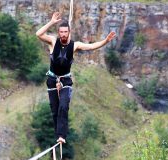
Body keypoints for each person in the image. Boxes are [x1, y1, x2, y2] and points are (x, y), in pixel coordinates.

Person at [36, 12, 116, 144]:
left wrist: (105, 41)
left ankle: (62, 135)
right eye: (61, 32)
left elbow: (91, 46)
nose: (63, 34)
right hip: (52, 79)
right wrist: (51, 22)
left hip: (65, 80)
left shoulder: (75, 45)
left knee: (63, 106)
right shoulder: (52, 41)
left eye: (65, 32)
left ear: (69, 32)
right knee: (55, 109)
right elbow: (38, 34)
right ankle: (58, 136)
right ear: (58, 32)